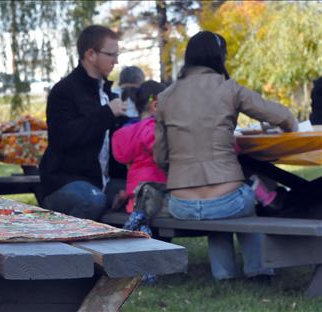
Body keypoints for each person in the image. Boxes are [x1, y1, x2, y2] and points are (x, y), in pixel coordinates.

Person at [153, 31, 298, 280]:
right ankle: (259, 271)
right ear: (220, 57)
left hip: (182, 204)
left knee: (219, 211)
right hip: (227, 200)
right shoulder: (228, 88)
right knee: (244, 201)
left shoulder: (166, 97)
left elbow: (160, 156)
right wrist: (288, 129)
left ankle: (224, 275)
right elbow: (284, 117)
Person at [39, 25, 129, 221]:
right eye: (111, 54)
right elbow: (63, 137)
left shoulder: (107, 93)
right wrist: (107, 114)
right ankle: (67, 250)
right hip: (63, 182)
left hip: (102, 181)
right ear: (91, 54)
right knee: (92, 200)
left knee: (141, 195)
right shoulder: (64, 91)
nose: (116, 60)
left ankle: (141, 251)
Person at [112, 80, 169, 215]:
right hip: (155, 191)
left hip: (136, 193)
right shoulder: (153, 130)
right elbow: (163, 153)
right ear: (155, 105)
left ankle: (128, 198)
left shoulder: (129, 132)